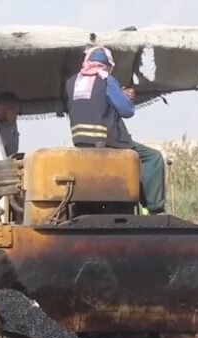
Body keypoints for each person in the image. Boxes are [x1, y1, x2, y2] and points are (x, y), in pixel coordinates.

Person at [65, 46, 165, 213]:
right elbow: (127, 111)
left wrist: (118, 93)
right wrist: (124, 96)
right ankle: (154, 207)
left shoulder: (71, 82)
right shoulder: (106, 79)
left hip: (81, 141)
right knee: (152, 158)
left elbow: (92, 104)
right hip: (108, 140)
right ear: (108, 66)